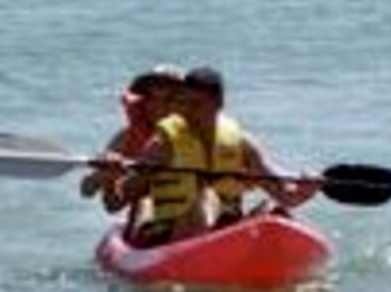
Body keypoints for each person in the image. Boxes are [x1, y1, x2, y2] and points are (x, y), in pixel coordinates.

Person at [117, 65, 317, 245]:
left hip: (226, 230)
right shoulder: (163, 144)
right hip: (173, 233)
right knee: (205, 197)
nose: (188, 111)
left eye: (196, 104)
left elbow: (286, 196)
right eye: (184, 103)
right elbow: (123, 194)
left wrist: (306, 188)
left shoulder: (242, 143)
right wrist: (133, 174)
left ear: (218, 103)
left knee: (274, 211)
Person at [81, 65, 184, 221]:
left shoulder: (200, 134)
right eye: (152, 98)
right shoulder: (127, 138)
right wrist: (108, 178)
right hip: (151, 219)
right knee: (146, 204)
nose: (159, 107)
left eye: (169, 99)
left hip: (191, 215)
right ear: (144, 102)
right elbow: (96, 195)